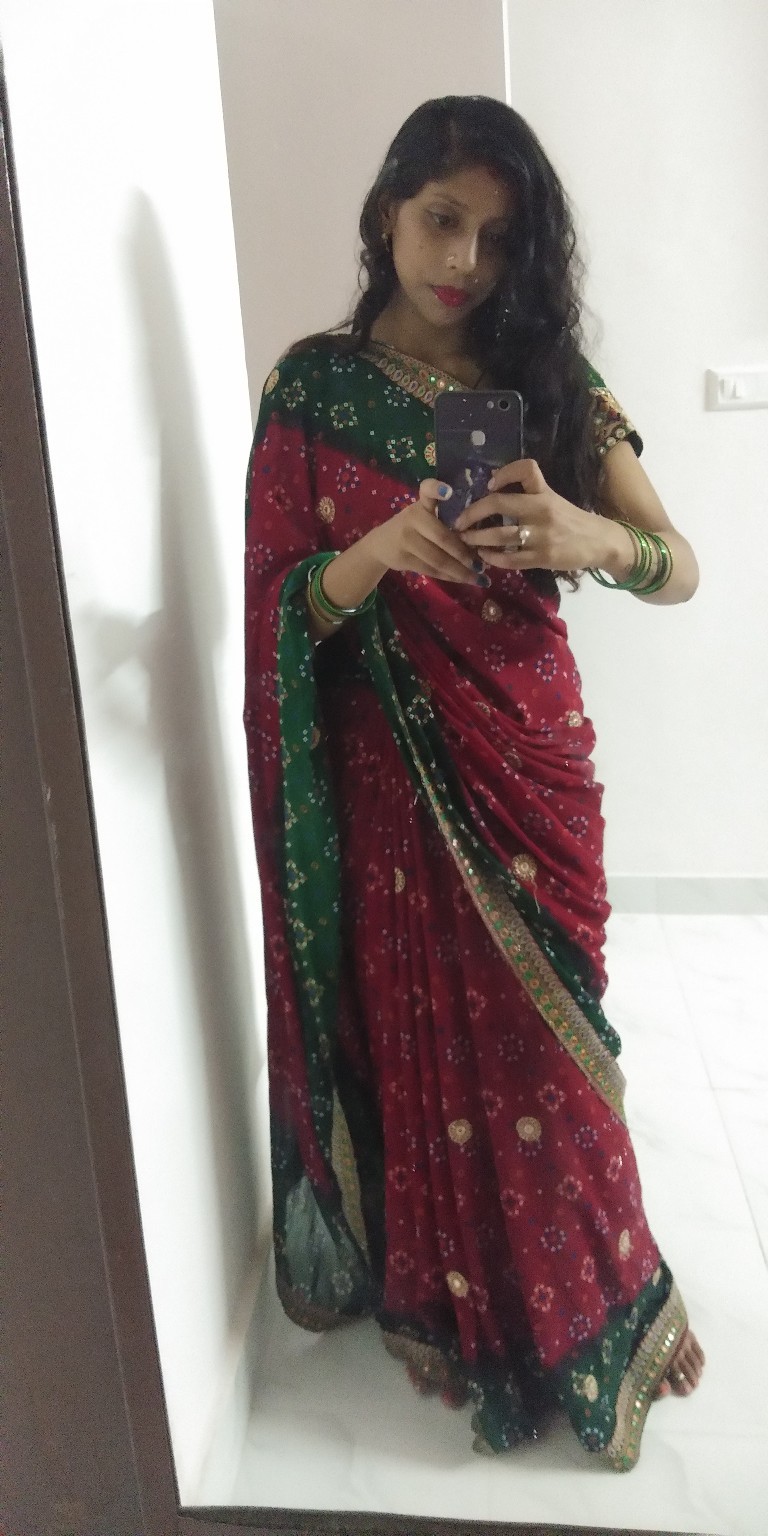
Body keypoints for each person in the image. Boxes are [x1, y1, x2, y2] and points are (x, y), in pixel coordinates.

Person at [243, 95, 704, 1471]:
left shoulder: (550, 382)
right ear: (388, 208)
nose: (464, 262)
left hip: (529, 758)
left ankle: (606, 1284)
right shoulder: (312, 391)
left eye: (500, 240)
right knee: (430, 1039)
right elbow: (278, 611)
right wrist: (379, 552)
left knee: (558, 1046)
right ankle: (458, 1302)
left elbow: (677, 565)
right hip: (391, 782)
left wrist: (584, 535)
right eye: (443, 220)